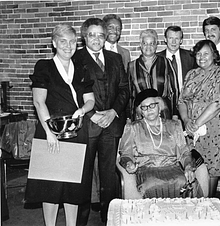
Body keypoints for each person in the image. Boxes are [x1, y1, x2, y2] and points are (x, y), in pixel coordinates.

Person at [24, 24, 95, 226]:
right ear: (54, 43)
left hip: (75, 132)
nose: (68, 46)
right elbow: (39, 102)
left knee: (73, 187)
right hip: (50, 132)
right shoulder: (44, 66)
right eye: (63, 41)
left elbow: (90, 100)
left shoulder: (81, 68)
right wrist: (48, 131)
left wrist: (82, 110)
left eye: (72, 42)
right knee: (51, 186)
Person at [72, 18, 129, 225]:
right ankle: (80, 220)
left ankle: (109, 218)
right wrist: (92, 114)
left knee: (109, 178)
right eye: (92, 35)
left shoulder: (115, 58)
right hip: (88, 125)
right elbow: (73, 92)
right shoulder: (75, 58)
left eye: (101, 35)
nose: (97, 39)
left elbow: (124, 89)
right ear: (84, 37)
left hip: (111, 124)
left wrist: (113, 112)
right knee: (84, 176)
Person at [118, 88, 209, 198]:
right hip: (147, 170)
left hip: (172, 168)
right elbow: (126, 154)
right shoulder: (133, 128)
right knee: (150, 185)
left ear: (159, 107)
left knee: (184, 181)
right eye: (144, 107)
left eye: (152, 105)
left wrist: (188, 166)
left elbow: (184, 152)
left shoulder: (174, 125)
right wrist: (129, 163)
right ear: (141, 111)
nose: (149, 110)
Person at [178, 40, 220, 198]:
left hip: (211, 130)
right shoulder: (191, 74)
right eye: (198, 54)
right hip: (191, 130)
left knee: (210, 169)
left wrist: (196, 123)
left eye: (206, 54)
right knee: (193, 165)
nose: (202, 57)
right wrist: (186, 119)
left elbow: (217, 104)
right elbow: (181, 101)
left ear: (214, 55)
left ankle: (208, 205)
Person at [128, 29, 176, 121]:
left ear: (156, 45)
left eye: (152, 43)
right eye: (145, 43)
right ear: (140, 45)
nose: (148, 46)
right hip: (141, 114)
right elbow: (130, 94)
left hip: (163, 112)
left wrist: (175, 114)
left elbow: (173, 91)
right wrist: (129, 117)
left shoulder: (166, 62)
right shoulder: (132, 66)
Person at [157, 26, 196, 95]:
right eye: (170, 38)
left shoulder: (191, 57)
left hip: (184, 100)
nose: (173, 42)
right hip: (163, 101)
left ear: (181, 40)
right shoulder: (157, 58)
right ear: (165, 39)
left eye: (177, 38)